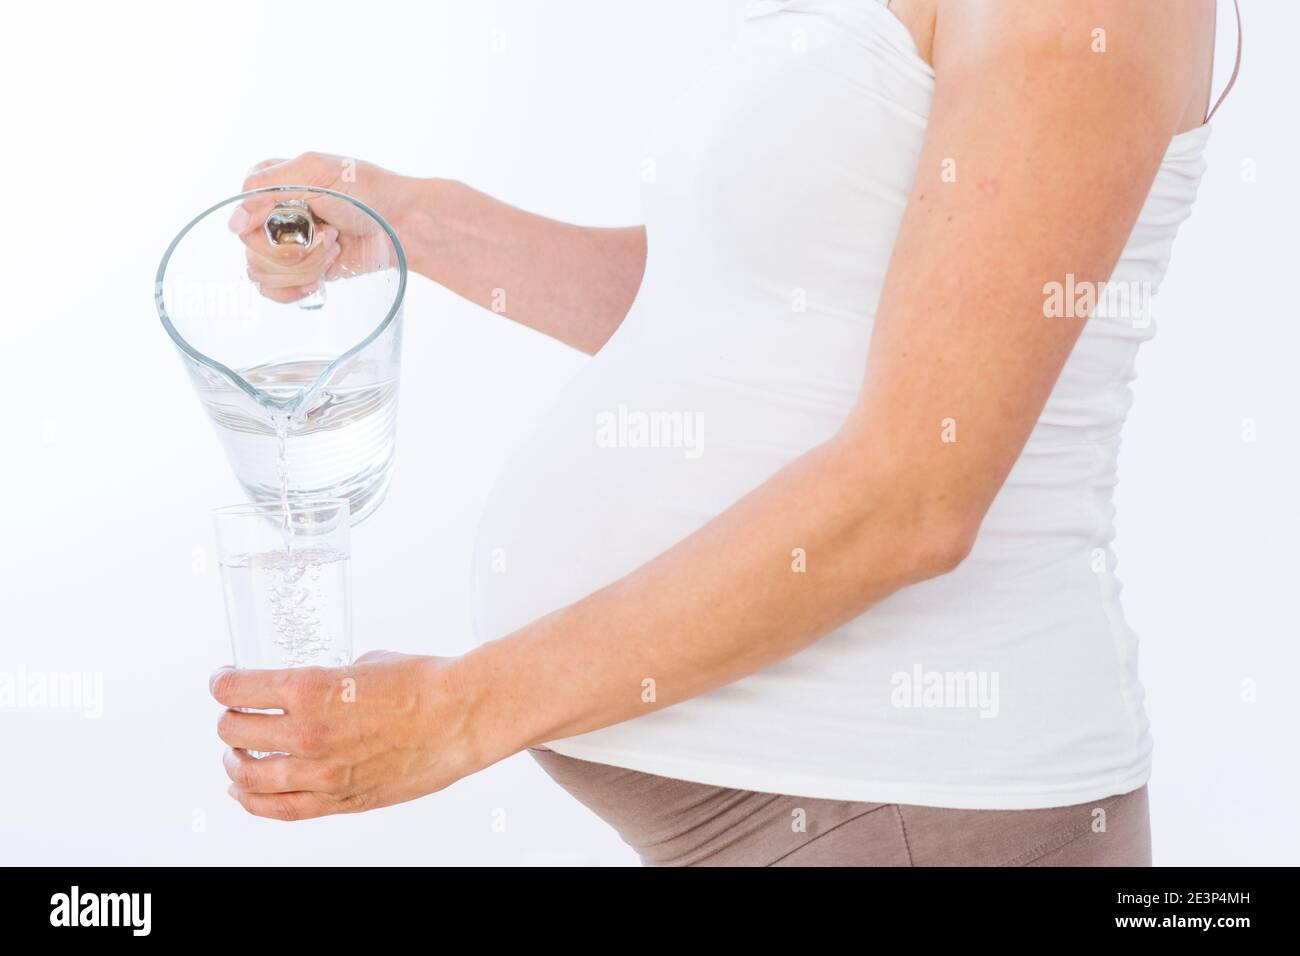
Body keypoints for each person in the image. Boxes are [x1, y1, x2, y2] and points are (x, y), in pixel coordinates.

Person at [211, 0, 1241, 866]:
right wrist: (415, 224)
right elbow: (741, 315)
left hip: (909, 803)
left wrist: (455, 711)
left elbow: (917, 497)